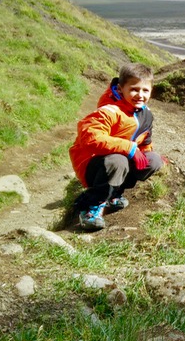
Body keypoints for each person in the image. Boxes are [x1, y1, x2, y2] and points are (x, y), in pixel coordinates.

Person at [69, 63, 163, 230]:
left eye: (145, 90)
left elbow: (145, 142)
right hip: (94, 164)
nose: (140, 95)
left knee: (153, 161)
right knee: (117, 160)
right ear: (120, 89)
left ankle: (114, 194)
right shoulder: (109, 111)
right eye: (134, 89)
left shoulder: (145, 113)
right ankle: (90, 207)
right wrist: (129, 147)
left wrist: (147, 154)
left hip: (119, 162)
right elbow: (89, 138)